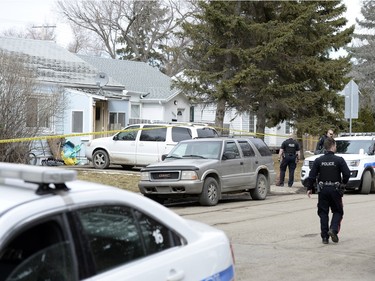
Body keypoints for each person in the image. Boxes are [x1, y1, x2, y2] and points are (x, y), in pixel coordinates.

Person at [305, 137, 350, 244]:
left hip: (323, 190)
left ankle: (325, 237)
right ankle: (333, 230)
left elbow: (312, 176)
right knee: (338, 211)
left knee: (323, 212)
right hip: (335, 189)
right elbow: (347, 174)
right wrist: (343, 183)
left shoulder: (319, 160)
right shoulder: (339, 160)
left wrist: (309, 188)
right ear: (333, 146)